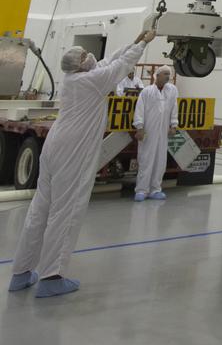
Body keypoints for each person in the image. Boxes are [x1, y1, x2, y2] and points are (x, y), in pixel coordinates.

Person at [8, 26, 156, 299]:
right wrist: (143, 44)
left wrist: (136, 38)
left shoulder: (74, 80)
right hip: (72, 152)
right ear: (79, 65)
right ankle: (52, 276)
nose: (90, 57)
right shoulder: (91, 82)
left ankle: (21, 272)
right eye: (86, 55)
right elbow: (118, 67)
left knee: (40, 209)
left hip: (54, 147)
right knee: (66, 210)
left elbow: (109, 61)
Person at [133, 66, 179, 201]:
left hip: (163, 132)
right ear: (157, 75)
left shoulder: (172, 90)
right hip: (148, 131)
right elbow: (139, 110)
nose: (167, 76)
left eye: (168, 74)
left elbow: (174, 108)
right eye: (164, 74)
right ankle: (141, 190)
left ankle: (155, 189)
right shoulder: (147, 92)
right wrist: (139, 127)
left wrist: (174, 125)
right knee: (146, 160)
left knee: (160, 160)